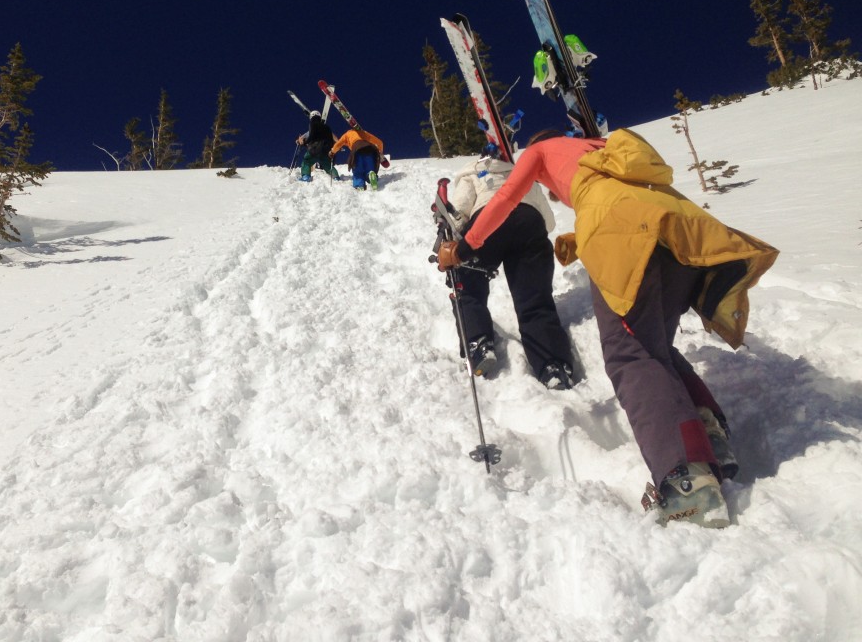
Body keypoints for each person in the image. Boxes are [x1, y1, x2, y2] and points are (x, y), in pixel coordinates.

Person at [437, 127, 778, 528]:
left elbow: (509, 197)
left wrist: (463, 247)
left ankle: (686, 479)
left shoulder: (540, 150)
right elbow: (620, 202)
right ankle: (710, 440)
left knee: (630, 353)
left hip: (622, 231)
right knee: (656, 348)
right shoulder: (603, 150)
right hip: (677, 224)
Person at [443, 141, 575, 388]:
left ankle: (478, 342)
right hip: (530, 223)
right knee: (535, 299)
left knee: (468, 284)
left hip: (488, 220)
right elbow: (548, 221)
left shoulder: (472, 171)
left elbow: (460, 211)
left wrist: (454, 238)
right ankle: (553, 365)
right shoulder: (521, 172)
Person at [329, 126, 384, 190]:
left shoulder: (347, 135)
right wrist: (380, 151)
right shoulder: (363, 133)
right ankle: (370, 174)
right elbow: (379, 142)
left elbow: (338, 144)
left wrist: (332, 152)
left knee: (358, 171)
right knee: (370, 168)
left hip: (357, 150)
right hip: (370, 150)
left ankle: (359, 185)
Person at [296, 111, 339, 182]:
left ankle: (306, 177)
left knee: (306, 161)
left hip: (314, 149)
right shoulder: (327, 127)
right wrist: (332, 149)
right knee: (328, 165)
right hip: (326, 150)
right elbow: (331, 139)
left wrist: (305, 142)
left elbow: (311, 135)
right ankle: (336, 177)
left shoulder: (312, 124)